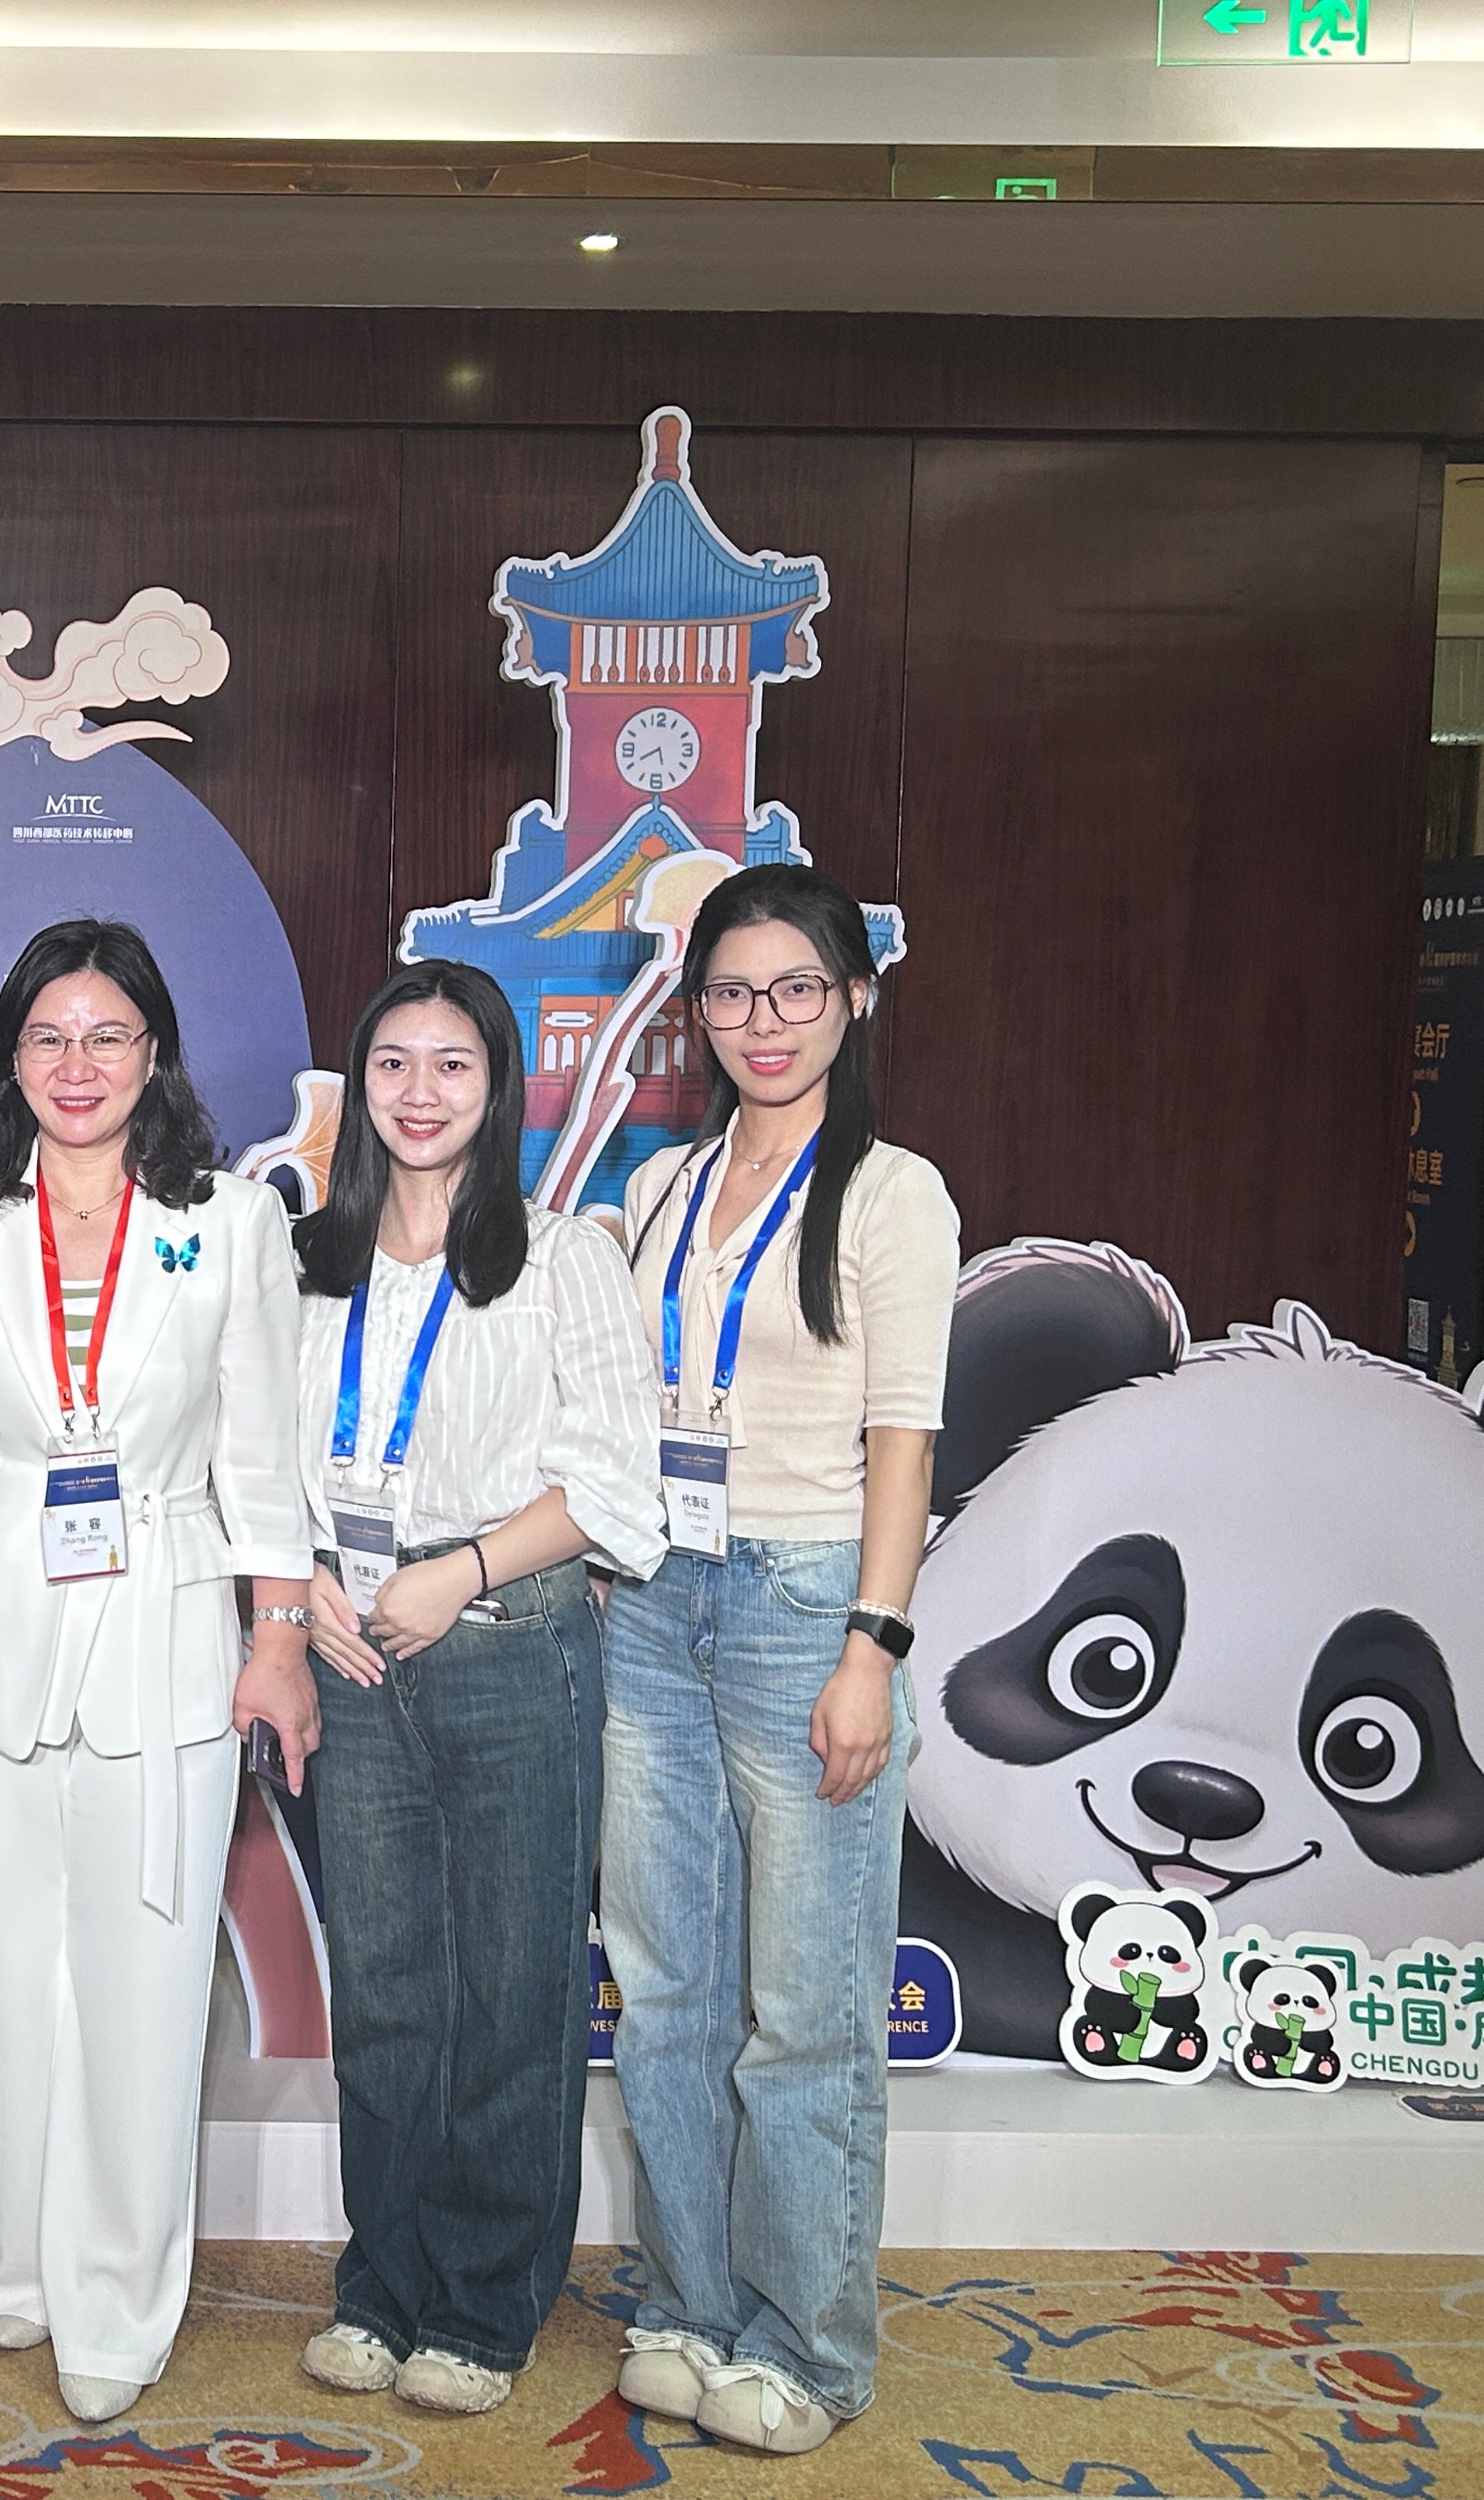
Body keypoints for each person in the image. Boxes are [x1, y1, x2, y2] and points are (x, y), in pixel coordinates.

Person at [0, 917, 313, 2426]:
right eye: (48, 1037)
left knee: (143, 1982)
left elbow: (262, 1452)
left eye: (107, 1036)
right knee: (12, 1975)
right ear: (10, 1057)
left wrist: (277, 1639)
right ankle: (20, 2263)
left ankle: (118, 2301)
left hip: (167, 1630)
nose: (78, 1065)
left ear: (153, 1054)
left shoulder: (229, 1221)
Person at [599, 862, 958, 2456]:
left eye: (798, 989)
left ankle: (808, 2344)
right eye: (735, 991)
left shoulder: (890, 1193)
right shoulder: (667, 1184)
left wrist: (871, 1646)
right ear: (698, 1010)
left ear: (854, 1000)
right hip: (653, 1599)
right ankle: (692, 2305)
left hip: (808, 1601)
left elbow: (906, 1443)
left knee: (804, 2006)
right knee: (669, 1987)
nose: (765, 1020)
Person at [284, 960, 665, 2417]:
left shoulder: (562, 1258)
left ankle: (487, 2305)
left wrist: (462, 1569)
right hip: (351, 1650)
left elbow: (616, 1483)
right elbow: (249, 1452)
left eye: (453, 1064)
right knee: (383, 1991)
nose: (420, 1092)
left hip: (507, 1640)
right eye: (393, 1063)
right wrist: (299, 1580)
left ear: (499, 1087)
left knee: (513, 1991)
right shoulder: (304, 1259)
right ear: (361, 1084)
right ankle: (381, 2288)